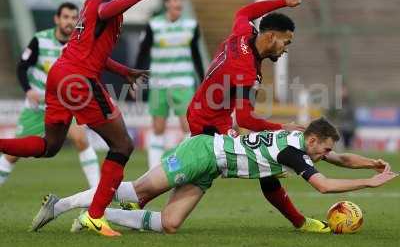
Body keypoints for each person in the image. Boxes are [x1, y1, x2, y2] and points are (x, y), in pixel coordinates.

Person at [0, 0, 166, 237]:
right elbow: (105, 12)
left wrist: (123, 70)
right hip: (79, 80)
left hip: (60, 73)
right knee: (123, 146)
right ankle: (96, 216)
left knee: (50, 146)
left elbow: (92, 48)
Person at [30, 117, 396, 235]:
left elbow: (339, 159)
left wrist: (371, 164)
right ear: (312, 140)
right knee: (138, 189)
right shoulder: (291, 151)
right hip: (202, 152)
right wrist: (369, 183)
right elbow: (323, 185)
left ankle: (99, 214)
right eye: (322, 149)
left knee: (170, 223)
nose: (324, 155)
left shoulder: (299, 133)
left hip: (214, 166)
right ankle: (60, 205)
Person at [186, 0, 323, 231]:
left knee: (259, 164)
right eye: (286, 41)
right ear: (271, 37)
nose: (286, 48)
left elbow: (244, 12)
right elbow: (246, 118)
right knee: (192, 177)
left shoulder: (243, 33)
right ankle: (133, 198)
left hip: (212, 116)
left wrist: (283, 2)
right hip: (208, 123)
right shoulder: (246, 72)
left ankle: (299, 222)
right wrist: (283, 127)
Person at [0, 2, 100, 188]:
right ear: (57, 19)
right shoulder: (40, 40)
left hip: (64, 105)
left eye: (73, 17)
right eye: (65, 17)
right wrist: (29, 91)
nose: (69, 22)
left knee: (81, 139)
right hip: (37, 108)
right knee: (12, 155)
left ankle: (97, 192)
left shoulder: (79, 44)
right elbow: (22, 67)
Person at [135, 0, 204, 168]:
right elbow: (143, 53)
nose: (178, 3)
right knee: (158, 128)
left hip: (183, 82)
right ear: (167, 3)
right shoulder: (154, 25)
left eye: (181, 0)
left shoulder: (191, 26)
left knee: (188, 127)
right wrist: (135, 77)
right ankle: (154, 169)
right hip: (159, 83)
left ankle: (186, 165)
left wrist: (204, 79)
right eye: (175, 0)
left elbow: (196, 55)